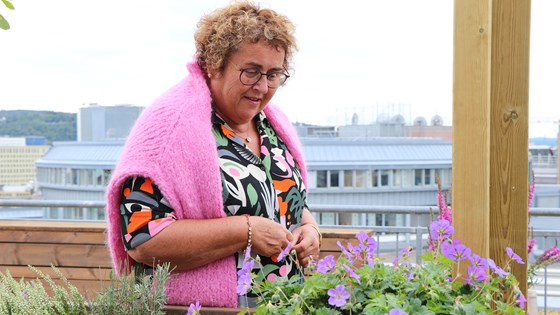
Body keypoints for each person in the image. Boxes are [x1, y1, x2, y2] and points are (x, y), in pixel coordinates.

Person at [105, 0, 321, 308]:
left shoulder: (273, 122)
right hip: (203, 309)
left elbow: (284, 199)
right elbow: (142, 239)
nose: (262, 86)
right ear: (214, 65)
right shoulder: (170, 127)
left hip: (285, 304)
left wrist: (309, 227)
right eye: (251, 71)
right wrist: (244, 231)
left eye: (274, 74)